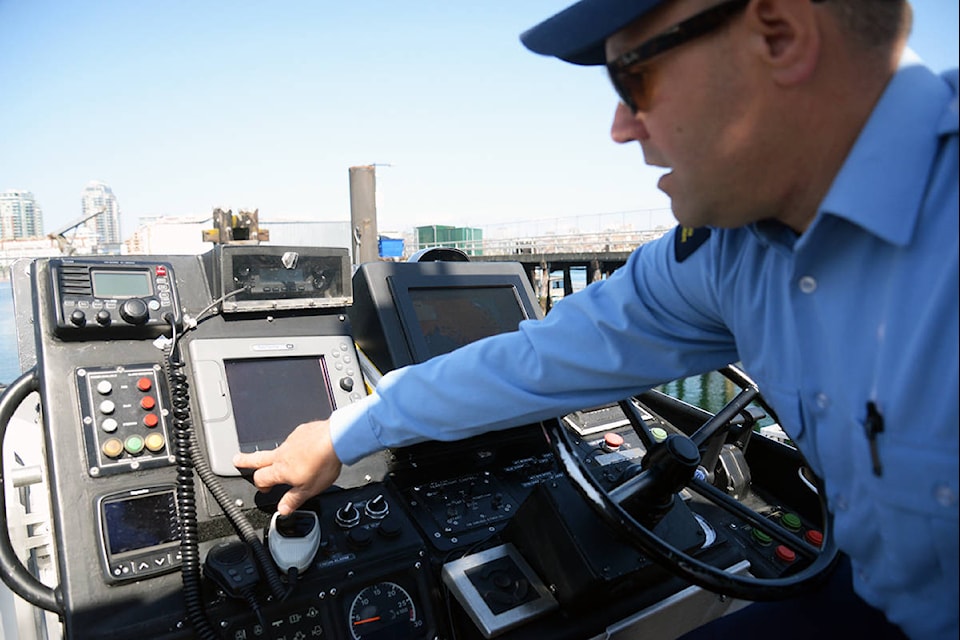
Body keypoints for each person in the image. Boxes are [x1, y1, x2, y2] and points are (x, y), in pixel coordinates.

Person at [234, 0, 958, 638]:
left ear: (779, 33)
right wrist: (346, 429)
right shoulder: (728, 254)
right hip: (883, 598)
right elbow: (543, 357)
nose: (618, 128)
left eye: (632, 80)